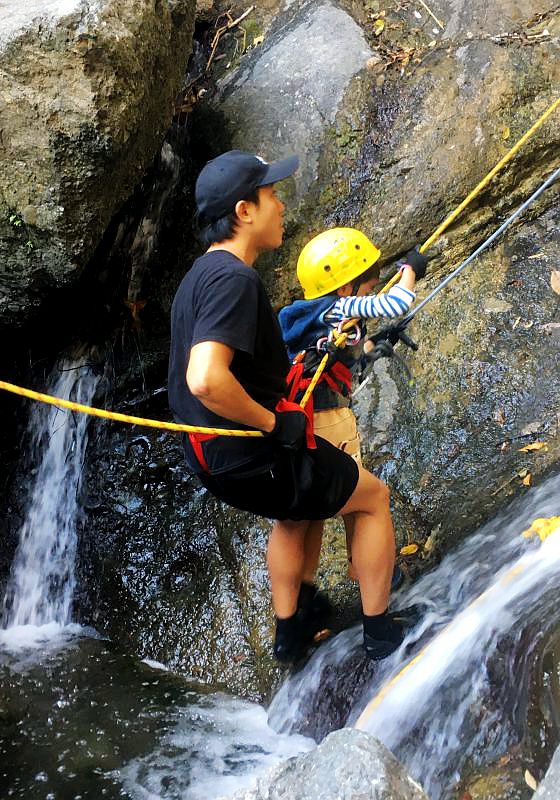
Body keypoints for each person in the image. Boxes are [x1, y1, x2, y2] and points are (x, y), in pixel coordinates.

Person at [168, 150, 414, 663]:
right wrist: (272, 422)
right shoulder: (234, 279)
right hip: (250, 450)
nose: (281, 206)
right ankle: (380, 634)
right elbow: (205, 378)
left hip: (212, 456)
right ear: (244, 211)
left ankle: (292, 632)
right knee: (372, 498)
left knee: (296, 515)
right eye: (272, 195)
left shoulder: (197, 278)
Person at [278, 228, 427, 587]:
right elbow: (395, 302)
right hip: (329, 423)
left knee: (316, 513)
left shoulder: (311, 318)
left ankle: (305, 610)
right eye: (367, 287)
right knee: (364, 502)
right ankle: (373, 577)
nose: (371, 293)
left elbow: (332, 356)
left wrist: (374, 341)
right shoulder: (338, 306)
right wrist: (410, 269)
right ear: (345, 287)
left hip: (308, 421)